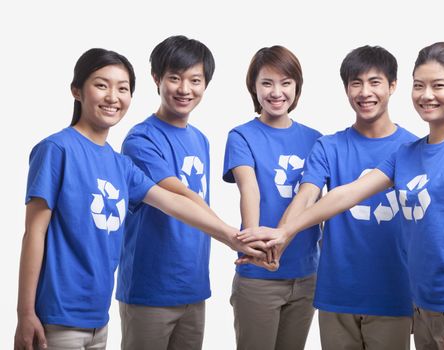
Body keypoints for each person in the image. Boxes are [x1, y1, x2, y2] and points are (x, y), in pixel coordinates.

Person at [238, 42, 444, 350]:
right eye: (419, 86)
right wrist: (284, 231)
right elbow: (346, 194)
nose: (426, 95)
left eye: (438, 85)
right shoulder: (407, 153)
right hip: (423, 309)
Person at [14, 48, 266, 350]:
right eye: (101, 85)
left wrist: (233, 238)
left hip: (98, 319)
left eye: (122, 88)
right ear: (77, 90)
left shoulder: (120, 165)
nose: (112, 97)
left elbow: (173, 202)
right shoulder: (57, 150)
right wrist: (25, 312)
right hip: (58, 316)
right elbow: (34, 232)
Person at [273, 45, 417, 350]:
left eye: (375, 82)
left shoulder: (413, 149)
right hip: (337, 294)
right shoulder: (329, 147)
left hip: (393, 293)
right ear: (346, 89)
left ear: (392, 86)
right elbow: (306, 196)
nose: (365, 92)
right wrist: (278, 237)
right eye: (356, 83)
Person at [116, 35, 227, 350]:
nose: (184, 89)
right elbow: (179, 196)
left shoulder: (201, 140)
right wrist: (233, 235)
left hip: (193, 289)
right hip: (150, 291)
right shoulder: (140, 140)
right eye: (174, 78)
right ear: (157, 79)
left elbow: (199, 203)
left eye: (195, 80)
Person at [222, 45, 322, 350]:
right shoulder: (241, 135)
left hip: (306, 275)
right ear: (254, 86)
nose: (276, 92)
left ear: (297, 86)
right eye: (267, 83)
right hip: (258, 276)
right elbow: (248, 186)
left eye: (286, 82)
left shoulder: (317, 139)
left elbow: (312, 197)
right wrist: (255, 246)